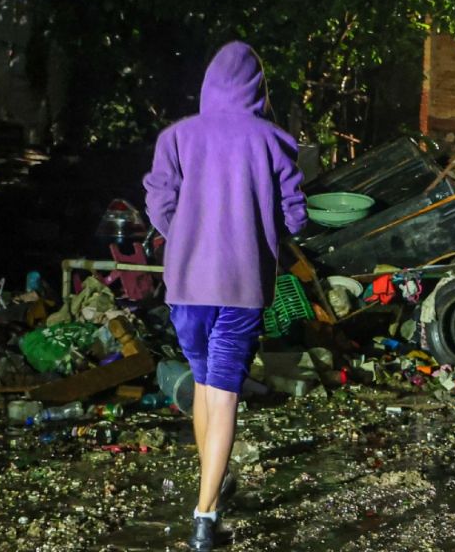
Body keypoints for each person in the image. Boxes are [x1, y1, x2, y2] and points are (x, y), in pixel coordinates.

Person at [144, 41, 307, 551]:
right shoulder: (274, 139)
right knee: (225, 390)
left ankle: (209, 489)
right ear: (258, 87)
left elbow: (158, 200)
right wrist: (262, 233)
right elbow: (295, 214)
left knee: (202, 384)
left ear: (209, 83)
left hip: (186, 283)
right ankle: (205, 515)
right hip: (241, 285)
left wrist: (186, 233)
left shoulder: (177, 136)